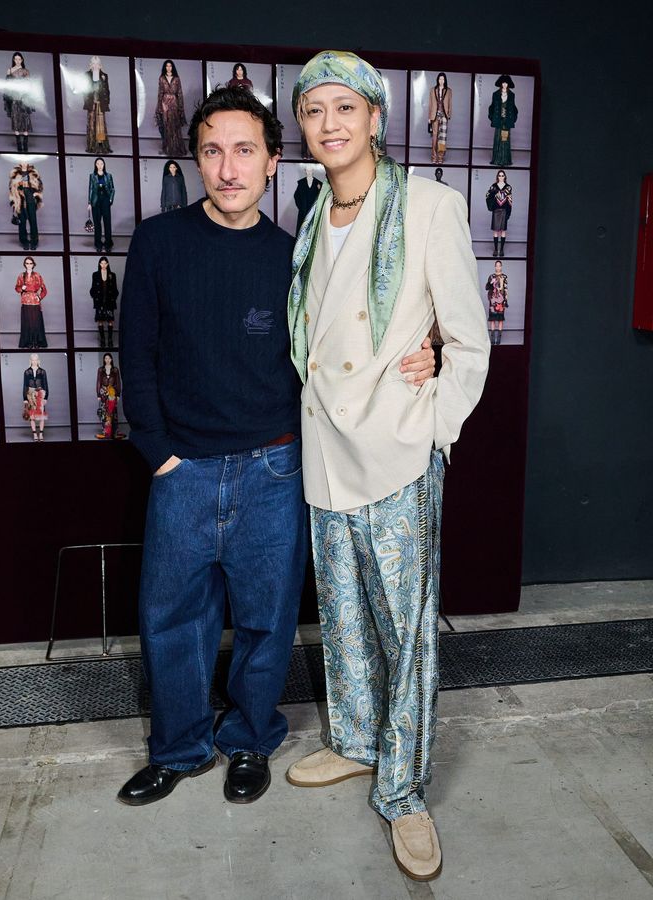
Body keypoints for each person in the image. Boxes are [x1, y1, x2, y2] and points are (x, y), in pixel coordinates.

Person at [117, 85, 435, 810]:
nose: (228, 168)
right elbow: (136, 352)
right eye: (212, 152)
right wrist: (158, 451)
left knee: (266, 620)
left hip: (274, 465)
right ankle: (178, 749)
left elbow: (356, 334)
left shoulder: (298, 256)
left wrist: (430, 350)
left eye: (244, 150)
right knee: (172, 620)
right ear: (196, 161)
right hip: (183, 468)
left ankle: (251, 741)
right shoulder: (158, 242)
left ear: (272, 161)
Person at [284, 51, 490, 883]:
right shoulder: (312, 214)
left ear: (375, 117)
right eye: (313, 110)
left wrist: (434, 426)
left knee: (406, 631)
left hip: (397, 448)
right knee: (341, 615)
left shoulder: (431, 206)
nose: (329, 124)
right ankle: (357, 741)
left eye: (346, 108)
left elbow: (468, 338)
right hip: (325, 449)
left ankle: (404, 791)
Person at [155, 60, 187, 157]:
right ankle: (167, 148)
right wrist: (159, 107)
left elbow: (180, 93)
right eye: (167, 66)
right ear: (165, 67)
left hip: (174, 102)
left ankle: (176, 148)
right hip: (164, 103)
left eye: (170, 66)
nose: (168, 68)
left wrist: (181, 107)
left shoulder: (176, 78)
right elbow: (160, 93)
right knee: (166, 126)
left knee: (175, 125)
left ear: (172, 67)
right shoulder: (161, 78)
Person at [9, 160, 42, 251]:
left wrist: (36, 194)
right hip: (20, 199)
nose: (24, 162)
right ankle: (24, 242)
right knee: (22, 222)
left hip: (30, 198)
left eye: (25, 161)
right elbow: (11, 188)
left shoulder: (34, 172)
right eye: (22, 161)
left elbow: (40, 185)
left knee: (33, 221)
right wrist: (14, 200)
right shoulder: (15, 173)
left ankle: (34, 242)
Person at [4, 52, 34, 153]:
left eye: (19, 59)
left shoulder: (26, 71)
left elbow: (29, 85)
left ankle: (25, 146)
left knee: (25, 122)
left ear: (22, 60)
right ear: (13, 60)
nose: (17, 61)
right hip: (14, 98)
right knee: (16, 121)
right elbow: (7, 85)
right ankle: (19, 146)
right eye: (15, 59)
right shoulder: (10, 70)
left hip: (23, 99)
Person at [15, 255, 47, 349]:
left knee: (36, 322)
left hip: (35, 302)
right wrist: (22, 288)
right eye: (27, 263)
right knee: (27, 322)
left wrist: (39, 297)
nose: (29, 265)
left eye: (30, 263)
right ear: (24, 264)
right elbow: (17, 288)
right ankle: (28, 342)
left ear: (33, 264)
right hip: (25, 302)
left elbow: (43, 289)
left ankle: (36, 342)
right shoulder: (21, 276)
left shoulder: (37, 275)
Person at [83, 56, 111, 155]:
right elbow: (84, 90)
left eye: (97, 63)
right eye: (93, 63)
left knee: (101, 125)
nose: (95, 65)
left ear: (100, 65)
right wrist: (87, 101)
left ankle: (101, 145)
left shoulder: (104, 76)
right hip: (91, 102)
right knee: (91, 124)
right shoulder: (86, 75)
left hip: (100, 103)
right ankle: (91, 145)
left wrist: (106, 102)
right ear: (91, 65)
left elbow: (107, 90)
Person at [488, 75, 518, 166]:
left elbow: (514, 108)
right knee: (498, 139)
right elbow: (492, 107)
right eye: (503, 83)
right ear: (501, 84)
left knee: (505, 139)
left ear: (508, 84)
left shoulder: (512, 95)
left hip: (506, 120)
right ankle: (497, 160)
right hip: (498, 120)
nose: (504, 84)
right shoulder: (495, 94)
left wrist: (513, 118)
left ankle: (505, 160)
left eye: (506, 83)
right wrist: (492, 117)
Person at [90, 255, 118, 347]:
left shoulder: (112, 275)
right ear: (99, 264)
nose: (103, 265)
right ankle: (102, 340)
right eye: (102, 263)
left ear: (107, 264)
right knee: (100, 320)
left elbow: (115, 288)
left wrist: (114, 297)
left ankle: (110, 340)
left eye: (105, 263)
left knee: (110, 320)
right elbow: (93, 288)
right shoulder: (95, 274)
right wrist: (94, 297)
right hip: (99, 300)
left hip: (109, 300)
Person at [87, 157, 115, 252]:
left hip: (105, 200)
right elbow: (90, 189)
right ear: (95, 165)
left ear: (104, 165)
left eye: (101, 163)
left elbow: (112, 189)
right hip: (96, 200)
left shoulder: (109, 176)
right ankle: (98, 244)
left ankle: (108, 244)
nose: (100, 165)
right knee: (97, 223)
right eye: (98, 163)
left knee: (107, 223)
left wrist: (110, 200)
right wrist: (89, 203)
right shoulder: (92, 176)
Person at [95, 352, 123, 439]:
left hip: (112, 393)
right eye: (106, 358)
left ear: (111, 359)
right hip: (103, 393)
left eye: (109, 358)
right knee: (104, 412)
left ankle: (114, 431)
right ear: (104, 359)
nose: (107, 360)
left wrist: (118, 394)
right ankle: (105, 431)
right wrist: (98, 394)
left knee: (113, 412)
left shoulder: (115, 370)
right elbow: (98, 382)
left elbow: (118, 382)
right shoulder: (100, 370)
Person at [485, 169, 513, 257]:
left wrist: (509, 212)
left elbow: (510, 200)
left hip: (504, 210)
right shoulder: (493, 186)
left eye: (502, 175)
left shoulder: (508, 187)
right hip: (496, 210)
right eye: (499, 175)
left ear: (505, 177)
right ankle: (495, 249)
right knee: (496, 231)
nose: (501, 177)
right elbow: (487, 195)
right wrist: (493, 194)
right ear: (497, 177)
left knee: (503, 231)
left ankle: (501, 250)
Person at [23, 352, 48, 441]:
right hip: (30, 395)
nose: (34, 362)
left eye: (36, 360)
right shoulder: (27, 372)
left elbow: (45, 384)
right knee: (32, 416)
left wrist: (46, 398)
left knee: (41, 416)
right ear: (30, 361)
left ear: (38, 360)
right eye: (33, 360)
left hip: (40, 394)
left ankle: (41, 434)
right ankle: (35, 435)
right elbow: (25, 386)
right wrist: (25, 399)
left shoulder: (42, 371)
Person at [428, 72, 451, 164]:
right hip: (435, 115)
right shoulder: (433, 90)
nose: (441, 81)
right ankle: (434, 157)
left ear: (445, 80)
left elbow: (450, 103)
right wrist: (429, 117)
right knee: (434, 136)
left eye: (443, 79)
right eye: (440, 79)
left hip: (444, 115)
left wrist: (449, 114)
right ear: (437, 80)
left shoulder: (448, 91)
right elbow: (430, 104)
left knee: (442, 138)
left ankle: (440, 157)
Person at [486, 258, 508, 345]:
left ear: (501, 266)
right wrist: (491, 283)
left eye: (499, 266)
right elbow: (487, 287)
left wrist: (506, 300)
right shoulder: (491, 276)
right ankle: (492, 337)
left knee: (500, 319)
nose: (498, 267)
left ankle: (499, 337)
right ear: (495, 267)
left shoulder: (504, 277)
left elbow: (505, 289)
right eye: (496, 266)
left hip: (501, 300)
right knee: (492, 319)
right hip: (493, 300)